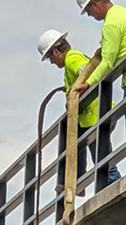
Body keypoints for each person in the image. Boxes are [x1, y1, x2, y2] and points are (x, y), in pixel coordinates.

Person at [73, 0, 126, 182]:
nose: (91, 15)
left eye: (89, 11)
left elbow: (107, 62)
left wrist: (88, 84)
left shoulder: (111, 24)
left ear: (95, 3)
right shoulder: (123, 13)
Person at [38, 29, 121, 184]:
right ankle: (77, 180)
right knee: (88, 152)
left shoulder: (71, 59)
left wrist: (77, 95)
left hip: (94, 117)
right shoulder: (71, 62)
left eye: (49, 57)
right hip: (91, 118)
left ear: (55, 51)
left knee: (105, 165)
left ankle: (111, 187)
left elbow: (87, 73)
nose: (51, 61)